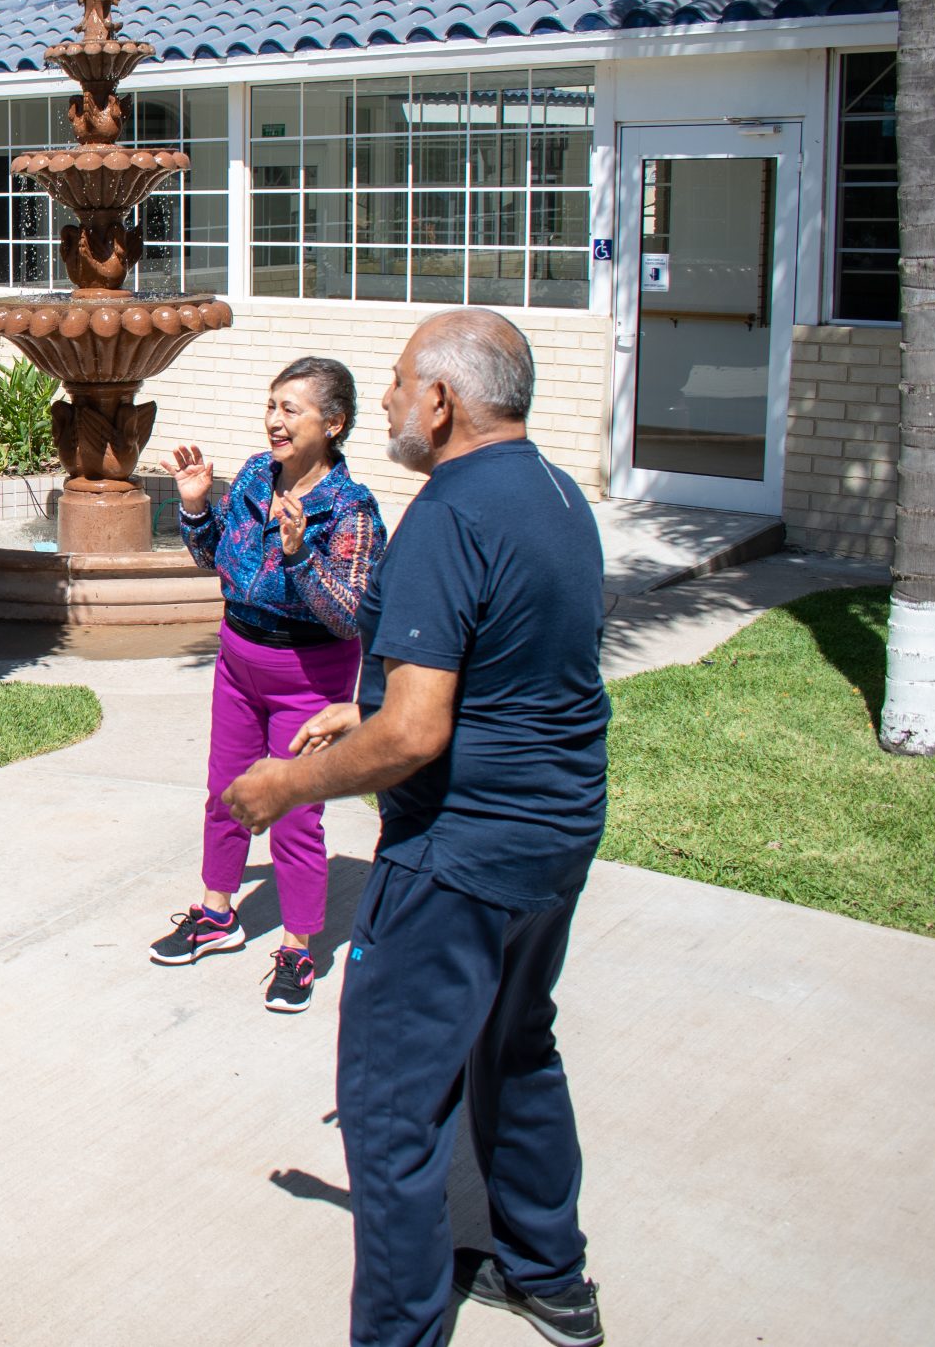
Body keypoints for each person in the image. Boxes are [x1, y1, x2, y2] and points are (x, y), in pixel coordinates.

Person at [223, 309, 611, 1347]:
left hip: (460, 858)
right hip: (556, 837)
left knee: (393, 1116)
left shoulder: (447, 514)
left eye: (398, 384)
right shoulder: (557, 493)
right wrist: (376, 703)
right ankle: (548, 1275)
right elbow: (516, 667)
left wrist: (282, 791)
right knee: (517, 1046)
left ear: (440, 402)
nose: (388, 400)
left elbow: (416, 737)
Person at [159, 357, 385, 1014]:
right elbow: (216, 559)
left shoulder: (352, 508)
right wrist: (197, 506)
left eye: (292, 408)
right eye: (271, 404)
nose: (274, 419)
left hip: (309, 676)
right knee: (224, 791)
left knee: (292, 812)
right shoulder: (256, 474)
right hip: (238, 658)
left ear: (333, 423)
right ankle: (217, 913)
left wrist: (299, 553)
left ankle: (298, 946)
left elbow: (349, 614)